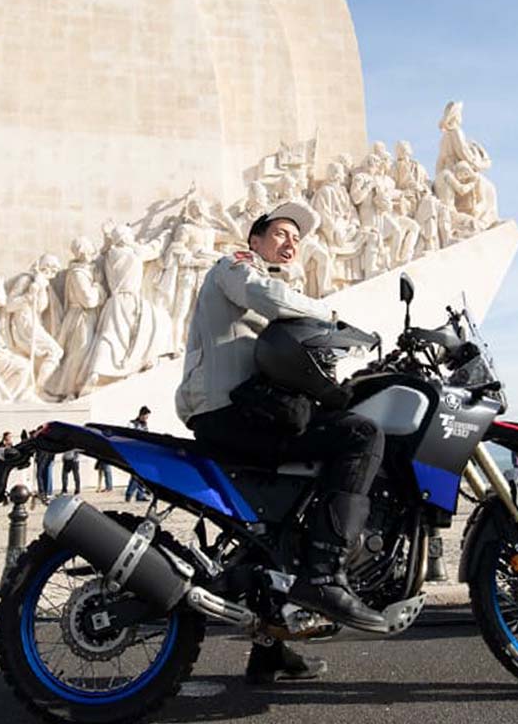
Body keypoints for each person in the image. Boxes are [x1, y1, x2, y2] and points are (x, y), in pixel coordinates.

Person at [176, 200, 387, 685]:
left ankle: (269, 650)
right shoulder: (237, 267)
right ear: (255, 240)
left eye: (296, 238)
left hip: (252, 412)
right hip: (227, 411)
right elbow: (267, 297)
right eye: (280, 233)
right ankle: (325, 575)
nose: (290, 243)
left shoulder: (280, 292)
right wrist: (334, 317)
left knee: (280, 525)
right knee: (362, 436)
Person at [124, 407, 151, 502]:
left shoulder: (145, 425)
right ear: (141, 415)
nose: (146, 418)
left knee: (141, 474)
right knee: (136, 474)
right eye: (145, 416)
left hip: (143, 452)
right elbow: (128, 437)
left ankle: (140, 495)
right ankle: (129, 494)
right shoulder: (132, 424)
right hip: (134, 452)